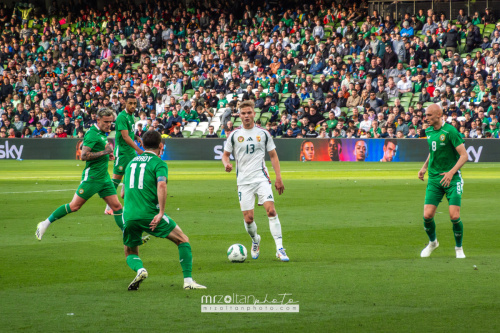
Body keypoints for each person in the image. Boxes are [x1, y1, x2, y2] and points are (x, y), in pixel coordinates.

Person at [121, 130, 206, 290]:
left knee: (130, 251)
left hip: (129, 215)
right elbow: (161, 184)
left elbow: (123, 193)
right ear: (161, 146)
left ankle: (140, 269)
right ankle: (188, 281)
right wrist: (160, 213)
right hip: (149, 214)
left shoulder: (130, 163)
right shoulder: (159, 163)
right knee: (182, 240)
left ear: (142, 145)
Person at [35, 108, 125, 240]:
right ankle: (45, 223)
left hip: (104, 177)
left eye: (111, 122)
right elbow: (84, 156)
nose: (109, 125)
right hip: (92, 178)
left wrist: (107, 155)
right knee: (74, 206)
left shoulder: (101, 133)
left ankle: (128, 234)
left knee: (117, 206)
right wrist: (104, 153)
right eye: (106, 122)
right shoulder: (93, 134)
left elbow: (99, 150)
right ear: (98, 120)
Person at [222, 100, 288, 262]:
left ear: (254, 113)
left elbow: (273, 155)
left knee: (271, 211)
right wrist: (227, 164)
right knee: (248, 218)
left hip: (261, 178)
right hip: (244, 181)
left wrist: (278, 177)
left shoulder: (263, 133)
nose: (246, 116)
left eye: (249, 113)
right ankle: (255, 240)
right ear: (240, 115)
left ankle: (280, 249)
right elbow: (225, 155)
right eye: (243, 113)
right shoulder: (234, 135)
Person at [418, 104, 468, 259]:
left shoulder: (450, 131)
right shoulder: (428, 131)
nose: (426, 118)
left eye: (429, 115)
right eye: (426, 115)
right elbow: (433, 152)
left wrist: (451, 173)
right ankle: (433, 243)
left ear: (439, 114)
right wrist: (424, 167)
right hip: (434, 179)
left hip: (452, 179)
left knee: (454, 216)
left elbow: (464, 156)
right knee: (427, 215)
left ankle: (458, 248)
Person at [104, 96, 144, 215]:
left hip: (130, 152)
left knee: (132, 175)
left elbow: (129, 133)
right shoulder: (121, 117)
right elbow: (125, 137)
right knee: (116, 179)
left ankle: (124, 194)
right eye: (130, 103)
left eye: (134, 103)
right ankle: (108, 207)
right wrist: (138, 149)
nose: (133, 106)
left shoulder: (132, 116)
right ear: (125, 103)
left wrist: (136, 137)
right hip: (122, 153)